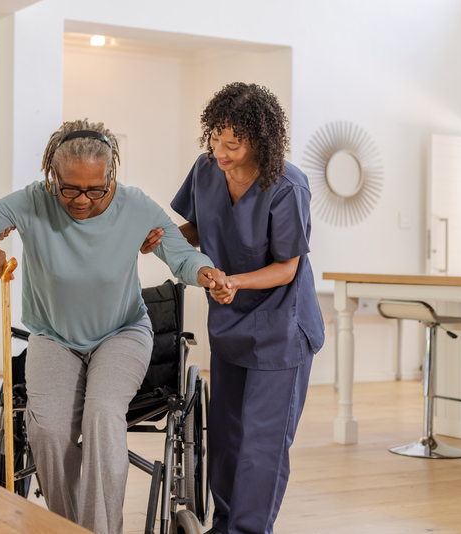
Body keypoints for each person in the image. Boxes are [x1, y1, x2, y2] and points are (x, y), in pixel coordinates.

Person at [0, 119, 226, 534]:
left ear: (111, 175)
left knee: (102, 415)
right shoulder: (32, 201)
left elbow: (182, 255)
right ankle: (70, 528)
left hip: (121, 333)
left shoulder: (135, 206)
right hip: (53, 337)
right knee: (47, 430)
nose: (81, 200)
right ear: (51, 176)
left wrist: (206, 273)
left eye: (95, 189)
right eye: (70, 189)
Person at [165, 82, 325, 534]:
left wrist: (234, 282)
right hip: (230, 324)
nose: (220, 151)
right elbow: (199, 227)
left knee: (262, 445)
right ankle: (224, 526)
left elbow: (288, 267)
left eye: (232, 144)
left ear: (258, 140)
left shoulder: (287, 185)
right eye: (215, 138)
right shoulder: (205, 170)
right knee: (226, 438)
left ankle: (249, 530)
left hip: (281, 328)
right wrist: (163, 236)